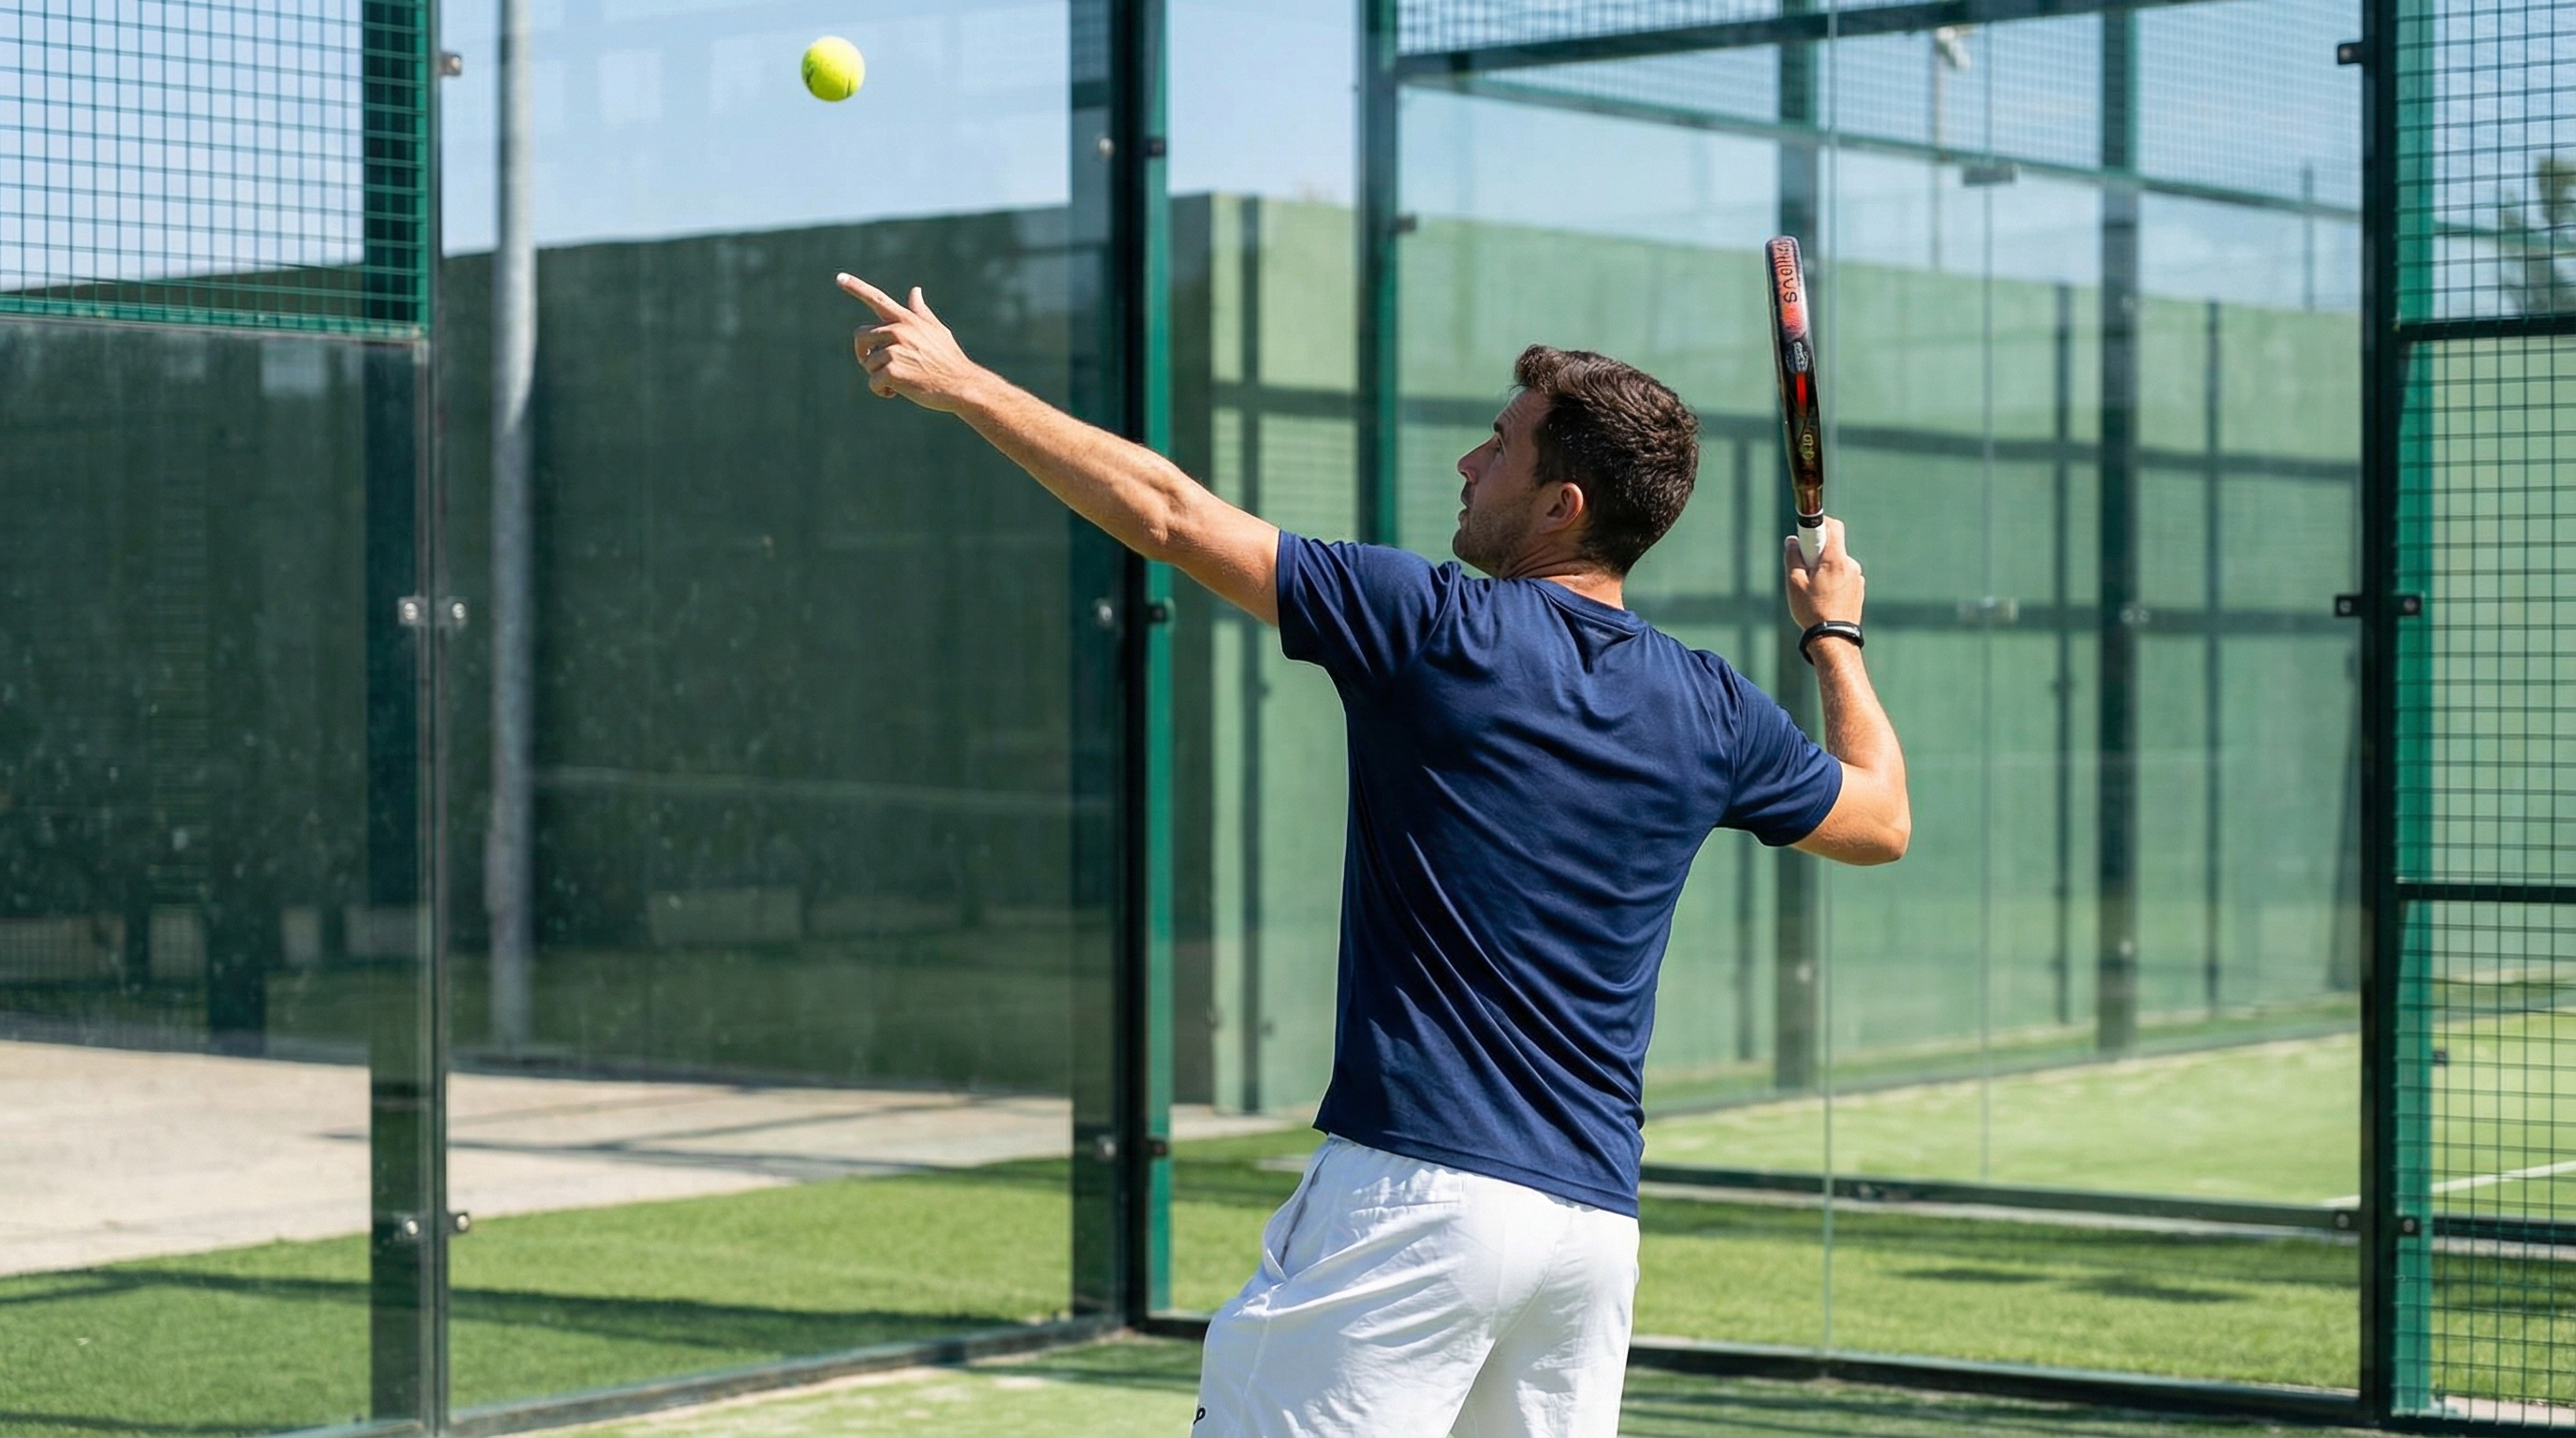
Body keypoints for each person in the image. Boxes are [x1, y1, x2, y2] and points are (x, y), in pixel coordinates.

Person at [835, 272, 1910, 1438]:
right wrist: (1832, 636)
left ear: (1560, 504)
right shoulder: (1713, 707)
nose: (1465, 464)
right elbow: (1878, 820)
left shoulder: (1433, 625)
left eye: (1497, 448)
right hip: (1587, 1244)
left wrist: (965, 383)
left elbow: (1169, 516)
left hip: (1414, 1205)